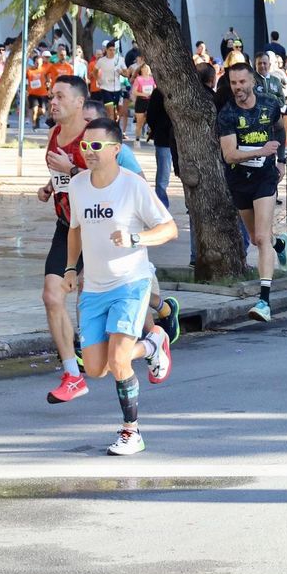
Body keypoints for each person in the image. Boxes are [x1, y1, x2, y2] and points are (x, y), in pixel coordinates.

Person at [60, 119, 176, 454]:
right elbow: (75, 229)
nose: (88, 152)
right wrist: (70, 268)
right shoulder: (78, 185)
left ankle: (131, 431)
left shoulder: (133, 186)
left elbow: (168, 228)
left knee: (120, 359)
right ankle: (154, 344)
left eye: (96, 146)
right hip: (94, 288)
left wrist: (135, 238)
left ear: (116, 149)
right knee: (96, 367)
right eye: (84, 146)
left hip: (130, 283)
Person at [216, 63, 287, 322]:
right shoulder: (227, 113)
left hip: (265, 178)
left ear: (252, 82)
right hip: (239, 179)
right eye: (233, 83)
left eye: (242, 82)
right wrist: (261, 150)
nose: (238, 87)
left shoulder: (269, 104)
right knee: (256, 237)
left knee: (261, 237)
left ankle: (264, 301)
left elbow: (280, 129)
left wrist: (281, 159)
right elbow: (229, 155)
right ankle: (279, 244)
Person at [37, 75, 94, 402]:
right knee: (52, 296)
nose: (52, 102)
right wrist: (51, 186)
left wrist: (72, 169)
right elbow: (60, 176)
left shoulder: (93, 138)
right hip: (67, 226)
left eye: (59, 97)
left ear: (79, 103)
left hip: (97, 228)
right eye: (50, 97)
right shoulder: (54, 134)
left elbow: (105, 184)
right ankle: (72, 373)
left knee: (119, 302)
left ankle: (156, 329)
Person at [130, 63, 156, 142]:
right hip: (141, 101)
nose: (146, 70)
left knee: (152, 120)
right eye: (144, 68)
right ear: (141, 70)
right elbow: (134, 92)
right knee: (140, 122)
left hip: (150, 101)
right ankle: (137, 139)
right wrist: (144, 94)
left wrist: (153, 94)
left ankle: (150, 136)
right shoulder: (138, 79)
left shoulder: (152, 79)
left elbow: (155, 89)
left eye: (148, 68)